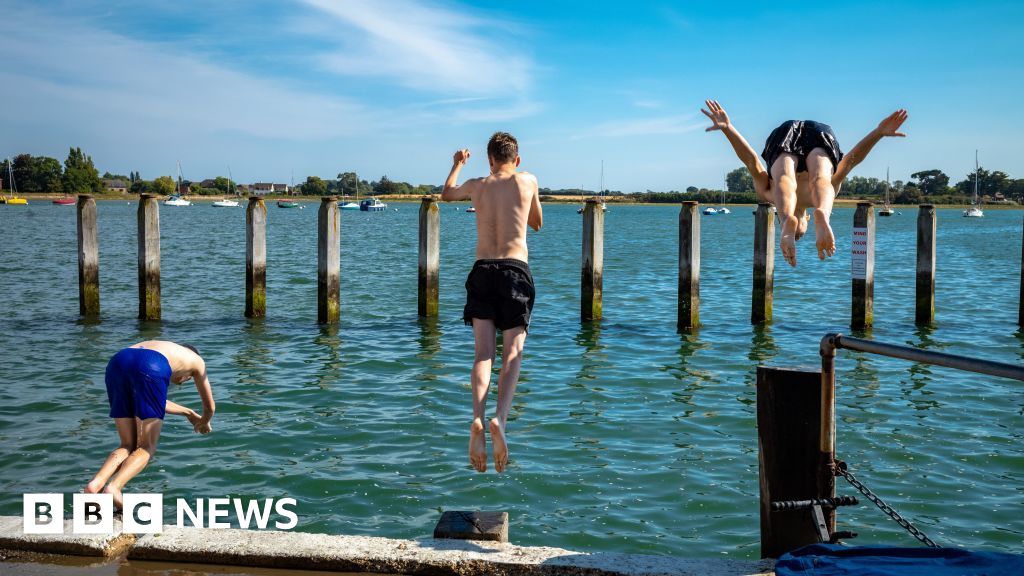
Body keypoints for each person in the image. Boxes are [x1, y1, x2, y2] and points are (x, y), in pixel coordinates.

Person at [441, 132, 542, 473]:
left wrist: (456, 164)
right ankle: (500, 418)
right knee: (512, 352)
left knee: (484, 353)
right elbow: (537, 223)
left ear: (489, 159)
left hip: (482, 269)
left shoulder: (477, 184)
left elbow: (446, 194)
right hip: (516, 270)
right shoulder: (528, 180)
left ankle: (477, 418)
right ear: (517, 159)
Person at [702, 100, 908, 266]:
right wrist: (877, 133)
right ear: (807, 219)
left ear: (808, 218)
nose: (800, 236)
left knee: (786, 181)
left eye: (797, 236)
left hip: (790, 138)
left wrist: (729, 129)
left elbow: (751, 160)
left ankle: (800, 218)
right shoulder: (773, 195)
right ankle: (819, 215)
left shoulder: (769, 194)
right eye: (799, 235)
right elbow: (851, 160)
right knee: (819, 180)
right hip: (818, 136)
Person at [85, 340, 215, 508]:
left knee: (127, 444)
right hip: (151, 365)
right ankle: (114, 488)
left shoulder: (165, 348)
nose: (182, 381)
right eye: (186, 380)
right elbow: (210, 406)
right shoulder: (197, 361)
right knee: (147, 445)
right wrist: (204, 422)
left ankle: (95, 484)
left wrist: (188, 412)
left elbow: (153, 401)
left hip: (118, 361)